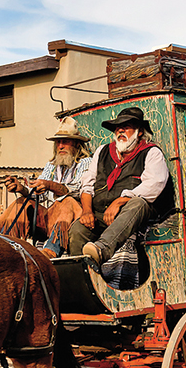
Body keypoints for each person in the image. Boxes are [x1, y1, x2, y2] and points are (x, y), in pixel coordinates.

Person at [69, 106, 174, 264]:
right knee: (78, 229)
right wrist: (87, 211)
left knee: (138, 202)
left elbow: (154, 185)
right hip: (101, 212)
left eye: (126, 128)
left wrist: (119, 201)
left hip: (131, 213)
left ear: (139, 132)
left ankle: (102, 248)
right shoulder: (102, 151)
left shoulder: (151, 152)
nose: (120, 132)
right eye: (118, 128)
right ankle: (79, 274)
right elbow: (87, 184)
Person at [0, 118, 92, 255]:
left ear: (76, 144)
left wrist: (49, 185)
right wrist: (21, 188)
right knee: (21, 202)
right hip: (50, 217)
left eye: (65, 142)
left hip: (73, 218)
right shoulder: (51, 166)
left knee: (67, 201)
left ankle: (51, 251)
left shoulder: (86, 162)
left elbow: (77, 191)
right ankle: (0, 244)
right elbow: (38, 193)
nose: (61, 146)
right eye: (58, 142)